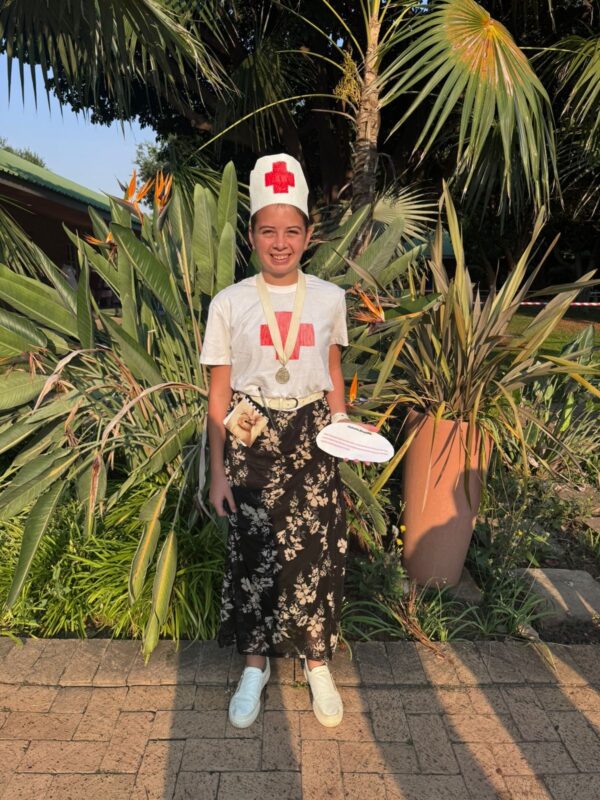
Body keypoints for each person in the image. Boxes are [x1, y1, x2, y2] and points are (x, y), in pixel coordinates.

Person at [200, 153, 366, 730]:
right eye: (268, 230)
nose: (280, 243)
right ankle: (256, 665)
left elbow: (333, 372)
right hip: (251, 433)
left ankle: (317, 663)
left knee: (317, 550)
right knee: (253, 553)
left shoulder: (328, 298)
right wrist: (217, 472)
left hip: (314, 435)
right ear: (251, 235)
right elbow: (219, 395)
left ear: (308, 234)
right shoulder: (229, 303)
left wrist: (343, 427)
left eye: (291, 230)